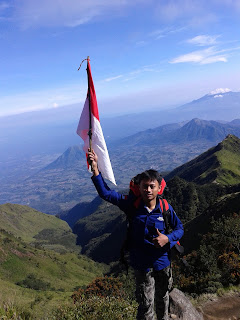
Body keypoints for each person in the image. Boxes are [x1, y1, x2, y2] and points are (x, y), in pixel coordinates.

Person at [88, 149, 184, 320]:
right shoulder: (132, 205)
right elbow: (106, 194)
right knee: (145, 303)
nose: (148, 190)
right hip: (141, 264)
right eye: (144, 186)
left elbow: (180, 229)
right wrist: (95, 169)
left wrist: (167, 238)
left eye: (151, 186)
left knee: (163, 297)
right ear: (138, 187)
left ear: (158, 189)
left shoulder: (165, 208)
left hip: (162, 262)